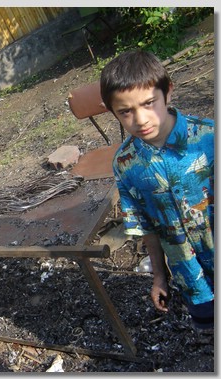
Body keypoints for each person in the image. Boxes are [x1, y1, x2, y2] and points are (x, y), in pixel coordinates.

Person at [99, 50, 214, 331]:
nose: (140, 119)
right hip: (191, 277)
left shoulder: (210, 138)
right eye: (125, 111)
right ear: (111, 111)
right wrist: (159, 277)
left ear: (168, 93)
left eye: (149, 103)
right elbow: (146, 226)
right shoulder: (126, 165)